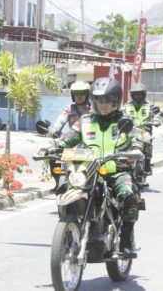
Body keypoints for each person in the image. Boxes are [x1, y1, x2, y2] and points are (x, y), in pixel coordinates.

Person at [61, 77, 143, 257]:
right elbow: (70, 136)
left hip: (117, 171)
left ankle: (126, 241)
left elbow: (137, 136)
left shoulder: (125, 120)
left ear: (116, 101)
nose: (103, 105)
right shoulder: (85, 120)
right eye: (99, 100)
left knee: (129, 194)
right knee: (65, 186)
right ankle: (70, 231)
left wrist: (137, 147)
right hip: (88, 171)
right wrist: (55, 144)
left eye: (108, 100)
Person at [123, 82, 156, 175]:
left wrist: (157, 120)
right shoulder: (126, 106)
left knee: (147, 141)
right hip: (130, 130)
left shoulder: (150, 106)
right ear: (132, 95)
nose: (138, 96)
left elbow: (157, 115)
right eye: (136, 94)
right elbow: (120, 115)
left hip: (144, 130)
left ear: (144, 94)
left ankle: (147, 164)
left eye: (140, 94)